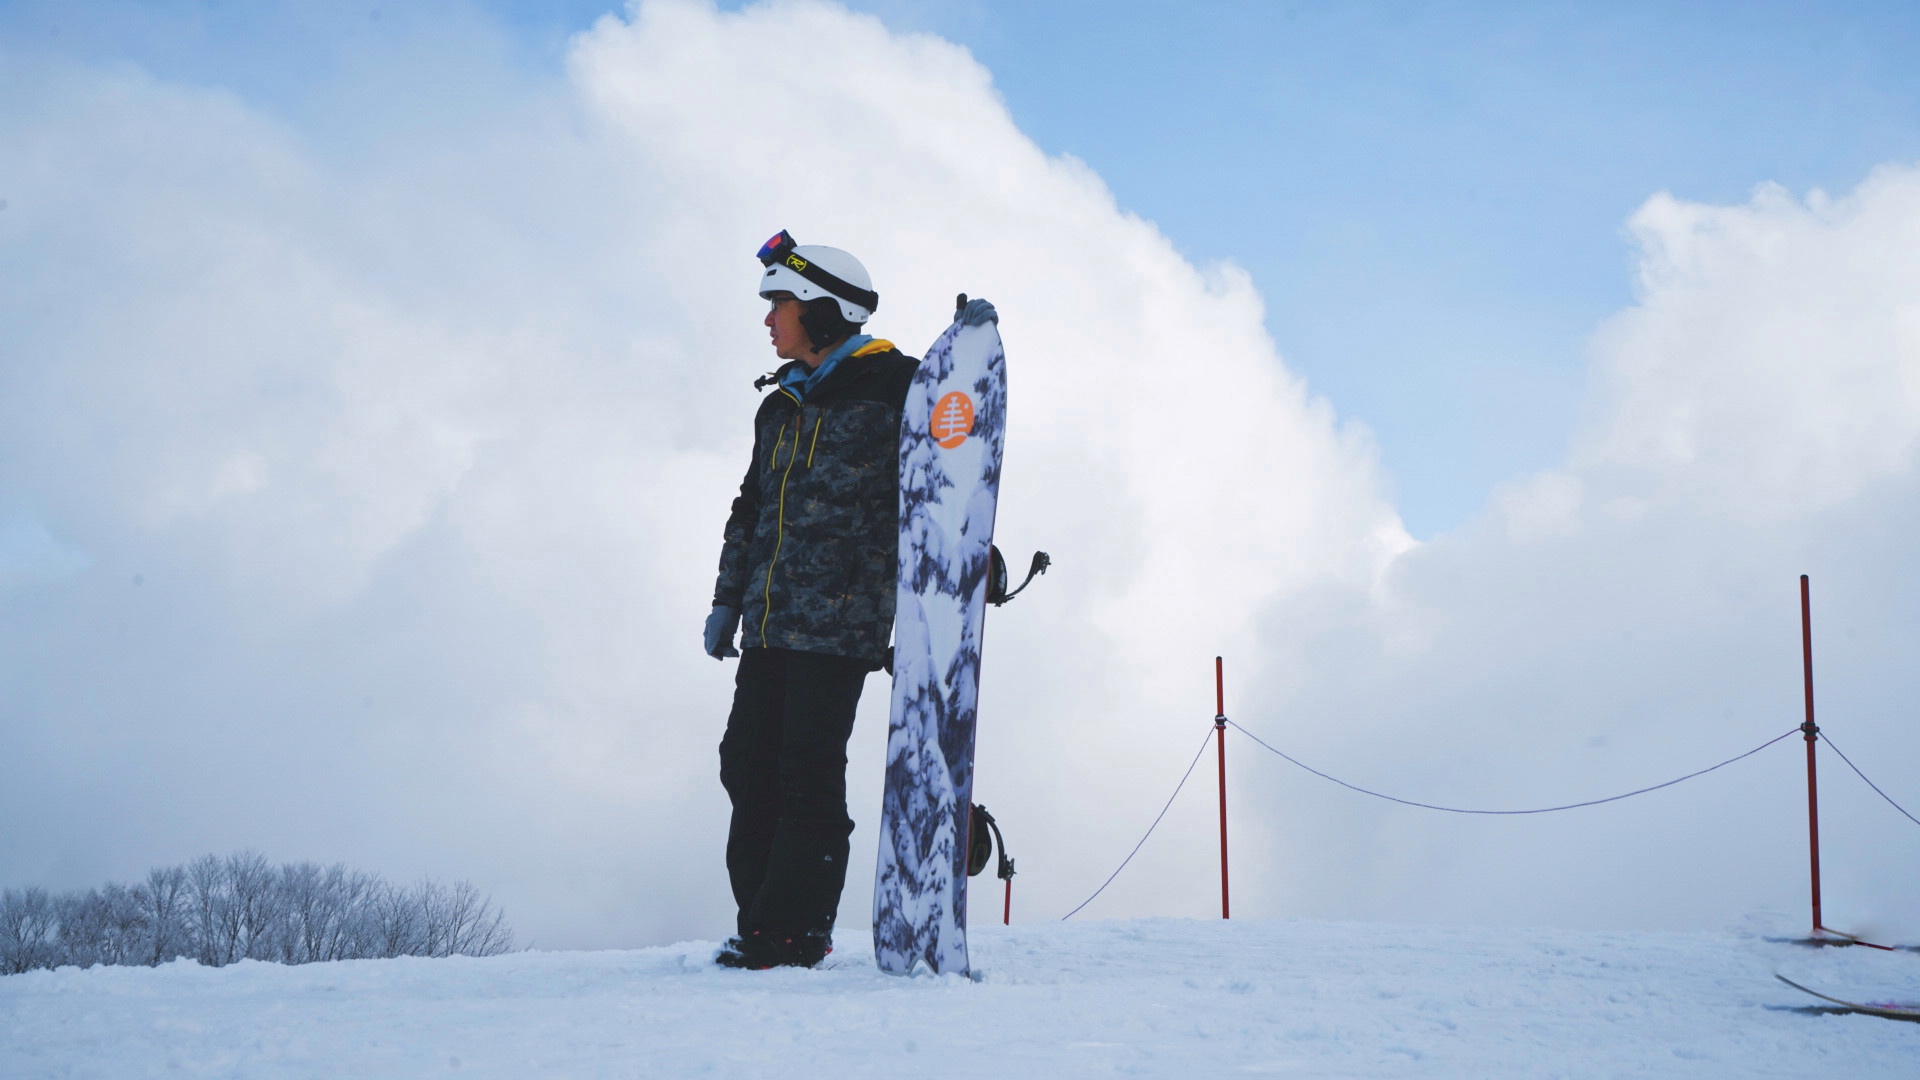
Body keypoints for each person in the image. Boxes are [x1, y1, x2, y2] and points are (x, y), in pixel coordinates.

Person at [705, 230, 996, 970]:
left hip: (838, 623)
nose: (769, 320)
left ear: (823, 312)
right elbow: (750, 508)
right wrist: (727, 601)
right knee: (745, 765)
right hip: (771, 622)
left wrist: (970, 553)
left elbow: (945, 475)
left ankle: (790, 934)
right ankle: (763, 922)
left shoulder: (897, 385)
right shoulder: (779, 406)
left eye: (781, 305)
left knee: (806, 772)